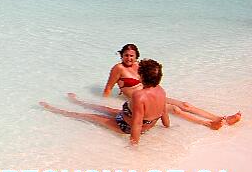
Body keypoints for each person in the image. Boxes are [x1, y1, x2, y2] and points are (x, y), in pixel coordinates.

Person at [104, 43, 241, 130]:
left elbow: (151, 80)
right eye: (126, 55)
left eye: (132, 56)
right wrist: (106, 100)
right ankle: (208, 124)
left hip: (151, 93)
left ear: (137, 56)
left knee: (185, 105)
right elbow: (109, 88)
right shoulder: (118, 68)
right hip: (140, 99)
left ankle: (220, 118)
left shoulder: (139, 66)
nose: (129, 58)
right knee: (175, 109)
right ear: (121, 55)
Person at [41, 59, 170, 145]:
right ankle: (79, 102)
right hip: (138, 121)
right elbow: (163, 112)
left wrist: (133, 145)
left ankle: (55, 110)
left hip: (126, 126)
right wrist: (167, 127)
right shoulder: (161, 90)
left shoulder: (139, 96)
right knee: (103, 108)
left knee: (91, 117)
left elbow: (136, 124)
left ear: (141, 76)